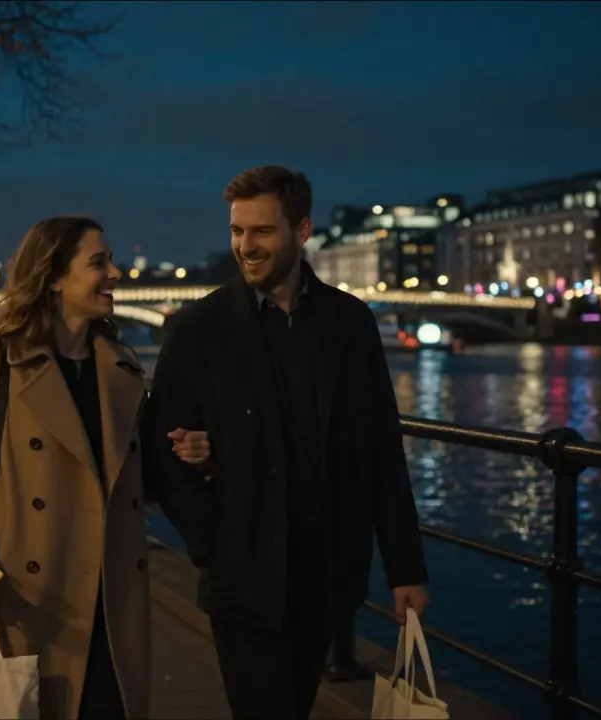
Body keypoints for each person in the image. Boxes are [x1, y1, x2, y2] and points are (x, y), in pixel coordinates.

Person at [146, 166, 430, 719]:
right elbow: (163, 452)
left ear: (301, 232)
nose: (245, 247)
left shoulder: (350, 325)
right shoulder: (197, 329)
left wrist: (405, 569)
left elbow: (381, 452)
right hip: (242, 575)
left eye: (262, 232)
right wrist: (212, 544)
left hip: (324, 575)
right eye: (237, 232)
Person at [0, 216, 212, 720]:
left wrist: (188, 450)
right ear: (54, 275)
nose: (117, 274)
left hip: (112, 600)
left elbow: (127, 482)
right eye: (99, 263)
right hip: (28, 601)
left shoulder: (121, 369)